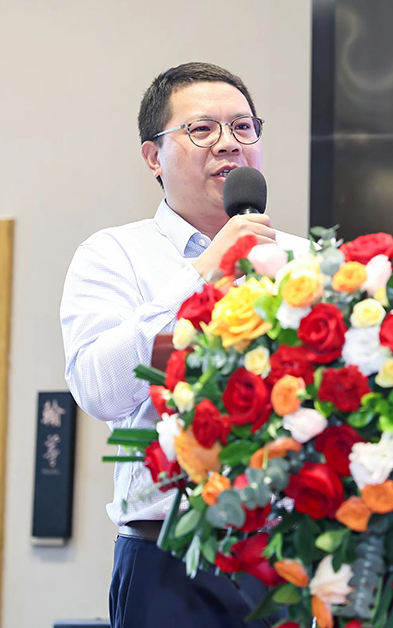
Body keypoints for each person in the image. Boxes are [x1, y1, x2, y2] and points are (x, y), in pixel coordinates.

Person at [60, 62, 305, 627]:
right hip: (167, 561)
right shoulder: (113, 255)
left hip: (290, 553)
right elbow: (98, 388)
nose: (229, 143)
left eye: (243, 127)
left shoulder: (304, 260)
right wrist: (205, 270)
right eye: (202, 129)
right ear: (153, 156)